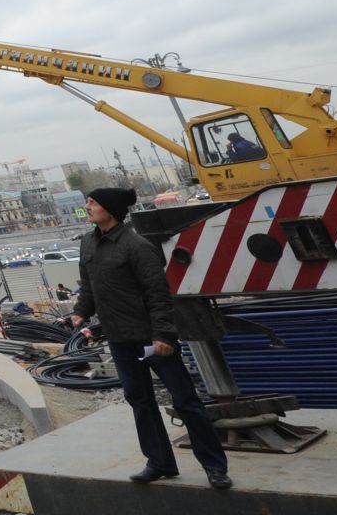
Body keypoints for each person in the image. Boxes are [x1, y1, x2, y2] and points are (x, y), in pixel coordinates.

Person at [71, 187, 231, 490]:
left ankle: (214, 466)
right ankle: (159, 463)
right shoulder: (88, 244)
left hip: (152, 338)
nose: (88, 207)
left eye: (93, 202)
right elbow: (88, 286)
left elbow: (158, 294)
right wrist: (81, 311)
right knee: (140, 401)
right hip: (120, 339)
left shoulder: (136, 246)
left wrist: (163, 335)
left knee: (186, 401)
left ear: (110, 209)